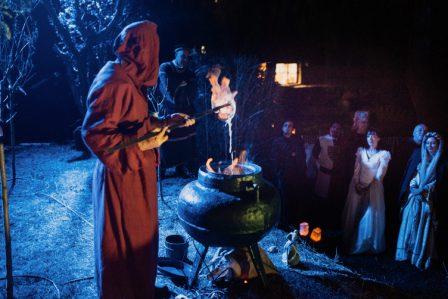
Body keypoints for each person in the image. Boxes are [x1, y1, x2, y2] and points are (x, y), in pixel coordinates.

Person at [82, 21, 194, 298]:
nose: (156, 59)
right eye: (154, 51)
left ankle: (140, 288)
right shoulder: (114, 81)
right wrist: (143, 145)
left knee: (140, 239)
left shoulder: (129, 79)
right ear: (141, 49)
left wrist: (167, 122)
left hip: (137, 176)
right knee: (122, 242)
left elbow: (133, 123)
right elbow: (95, 135)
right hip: (122, 179)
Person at [395, 132, 443, 270]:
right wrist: (414, 187)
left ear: (438, 145)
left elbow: (438, 182)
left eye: (433, 143)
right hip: (415, 199)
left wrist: (424, 189)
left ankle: (421, 256)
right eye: (427, 143)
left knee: (424, 228)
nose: (430, 146)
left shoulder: (441, 164)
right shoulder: (422, 161)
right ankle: (408, 254)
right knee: (410, 226)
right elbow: (415, 177)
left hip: (427, 201)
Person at [342, 129, 391, 254]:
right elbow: (357, 169)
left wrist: (369, 186)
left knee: (370, 214)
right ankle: (349, 239)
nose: (370, 138)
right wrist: (357, 184)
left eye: (373, 136)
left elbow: (380, 174)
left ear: (378, 138)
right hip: (358, 185)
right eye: (369, 136)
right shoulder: (361, 152)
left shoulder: (383, 154)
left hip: (374, 187)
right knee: (354, 211)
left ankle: (365, 243)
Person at [158, 46, 197, 177]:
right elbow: (166, 88)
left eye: (187, 57)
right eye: (182, 56)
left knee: (185, 140)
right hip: (168, 109)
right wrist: (178, 88)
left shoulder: (190, 73)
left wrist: (183, 91)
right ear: (176, 55)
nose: (185, 59)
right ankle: (161, 169)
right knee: (165, 138)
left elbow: (192, 91)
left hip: (185, 108)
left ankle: (180, 167)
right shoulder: (165, 68)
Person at [271, 120, 307, 228]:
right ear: (282, 128)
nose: (288, 127)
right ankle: (283, 222)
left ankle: (292, 220)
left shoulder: (297, 141)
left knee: (294, 198)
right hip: (284, 175)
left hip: (296, 175)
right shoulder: (277, 141)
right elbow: (275, 159)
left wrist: (301, 170)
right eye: (285, 125)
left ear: (293, 128)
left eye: (290, 125)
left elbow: (301, 156)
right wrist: (279, 172)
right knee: (284, 198)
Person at [312, 122, 345, 228]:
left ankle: (330, 222)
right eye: (333, 127)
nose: (335, 130)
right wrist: (319, 168)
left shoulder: (343, 142)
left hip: (337, 176)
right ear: (330, 128)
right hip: (324, 174)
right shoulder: (322, 139)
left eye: (338, 128)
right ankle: (319, 222)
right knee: (321, 198)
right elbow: (314, 155)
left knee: (333, 199)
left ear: (340, 130)